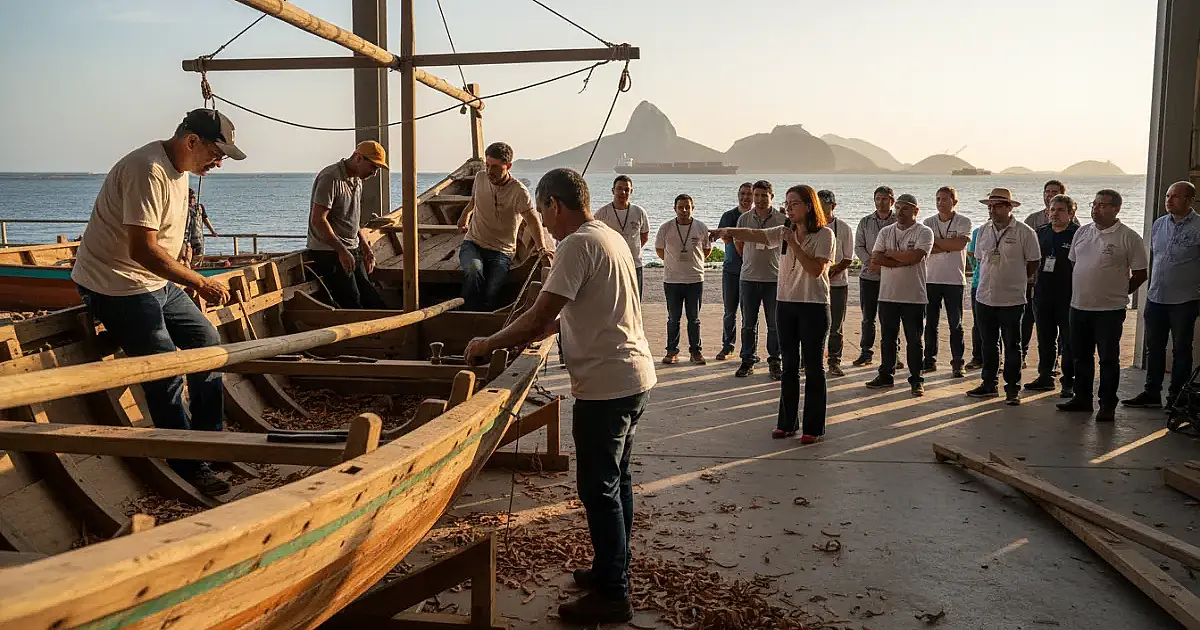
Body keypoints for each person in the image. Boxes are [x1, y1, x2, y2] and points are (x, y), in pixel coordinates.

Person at [463, 168, 655, 624]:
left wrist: (487, 344)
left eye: (544, 215)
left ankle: (613, 594)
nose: (543, 227)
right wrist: (534, 329)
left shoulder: (576, 245)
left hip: (606, 387)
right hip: (634, 377)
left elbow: (536, 318)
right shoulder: (608, 236)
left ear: (554, 205)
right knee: (618, 481)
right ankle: (613, 567)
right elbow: (568, 313)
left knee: (598, 489)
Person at [71, 108, 243, 497]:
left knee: (207, 343)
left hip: (156, 281)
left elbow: (161, 238)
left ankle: (209, 440)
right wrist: (199, 282)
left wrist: (182, 257)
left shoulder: (181, 170)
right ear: (191, 141)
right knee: (165, 368)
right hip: (115, 283)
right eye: (217, 154)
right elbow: (142, 251)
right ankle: (186, 461)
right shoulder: (147, 169)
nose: (219, 163)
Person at [712, 185, 833, 443]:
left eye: (794, 203)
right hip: (785, 303)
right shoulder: (782, 232)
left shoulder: (824, 235)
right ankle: (787, 423)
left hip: (813, 306)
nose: (788, 207)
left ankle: (813, 427)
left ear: (809, 206)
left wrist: (794, 243)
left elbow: (815, 270)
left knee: (813, 367)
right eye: (787, 203)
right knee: (789, 366)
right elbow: (754, 234)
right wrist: (727, 231)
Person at [1057, 190, 1148, 421]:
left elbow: (1140, 273)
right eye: (1094, 204)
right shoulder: (1082, 232)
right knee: (1081, 356)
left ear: (1116, 208)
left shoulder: (1128, 237)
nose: (1096, 209)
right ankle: (1082, 399)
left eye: (1102, 205)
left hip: (1109, 310)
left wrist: (1119, 291)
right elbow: (1074, 263)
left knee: (1108, 358)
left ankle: (1107, 404)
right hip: (1079, 306)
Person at [1124, 181, 1200, 410]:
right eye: (1167, 195)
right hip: (1156, 297)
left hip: (1184, 300)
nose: (1169, 200)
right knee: (1153, 347)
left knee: (1181, 349)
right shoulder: (1159, 224)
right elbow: (1155, 258)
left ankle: (1177, 397)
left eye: (1175, 196)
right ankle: (1151, 392)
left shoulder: (1198, 226)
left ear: (1190, 200)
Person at [456, 142, 551, 310]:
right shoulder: (480, 178)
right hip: (474, 243)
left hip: (502, 250)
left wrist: (542, 247)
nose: (489, 171)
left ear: (508, 166)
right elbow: (474, 201)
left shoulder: (519, 192)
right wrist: (465, 216)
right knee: (473, 270)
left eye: (495, 167)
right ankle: (468, 311)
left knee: (493, 290)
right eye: (487, 165)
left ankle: (484, 313)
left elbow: (532, 220)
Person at [968, 188, 1041, 405]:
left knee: (1012, 344)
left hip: (1012, 298)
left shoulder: (1025, 232)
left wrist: (1018, 279)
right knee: (988, 343)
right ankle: (988, 384)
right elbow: (980, 258)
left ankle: (1012, 388)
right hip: (984, 295)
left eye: (997, 206)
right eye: (990, 206)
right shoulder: (983, 231)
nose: (992, 210)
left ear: (1009, 208)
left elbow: (1034, 261)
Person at [305, 141, 389, 309]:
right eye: (373, 167)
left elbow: (352, 219)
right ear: (358, 158)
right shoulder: (330, 178)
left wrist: (365, 247)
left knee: (372, 299)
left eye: (377, 169)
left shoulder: (358, 180)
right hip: (329, 252)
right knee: (353, 302)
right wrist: (341, 250)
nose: (374, 173)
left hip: (351, 249)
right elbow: (318, 220)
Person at [866, 193, 934, 396]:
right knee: (887, 339)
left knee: (914, 341)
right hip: (887, 295)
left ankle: (916, 379)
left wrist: (891, 255)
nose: (900, 212)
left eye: (906, 208)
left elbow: (916, 256)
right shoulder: (886, 232)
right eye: (898, 208)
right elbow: (875, 259)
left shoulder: (924, 232)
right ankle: (886, 375)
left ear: (916, 211)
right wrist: (902, 260)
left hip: (913, 296)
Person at [1025, 194, 1079, 397]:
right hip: (1043, 294)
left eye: (1060, 210)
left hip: (1069, 295)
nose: (1054, 214)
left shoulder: (1078, 234)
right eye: (1052, 209)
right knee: (1045, 339)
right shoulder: (1040, 233)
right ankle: (1045, 377)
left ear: (1071, 213)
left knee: (1069, 340)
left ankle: (1069, 382)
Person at [734, 180, 786, 379]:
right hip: (748, 278)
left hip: (773, 279)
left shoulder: (782, 218)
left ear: (771, 197)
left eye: (764, 196)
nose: (759, 199)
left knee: (774, 323)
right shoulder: (744, 219)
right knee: (748, 323)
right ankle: (747, 359)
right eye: (756, 195)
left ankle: (775, 360)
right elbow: (739, 246)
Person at [922, 186, 972, 377]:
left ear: (954, 202)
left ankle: (957, 363)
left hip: (955, 280)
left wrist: (938, 243)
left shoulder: (963, 221)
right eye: (937, 199)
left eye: (944, 199)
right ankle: (929, 360)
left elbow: (960, 244)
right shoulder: (928, 222)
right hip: (931, 279)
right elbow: (926, 248)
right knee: (930, 323)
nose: (940, 202)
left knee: (955, 324)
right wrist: (947, 245)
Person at [655, 194, 711, 364]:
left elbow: (706, 250)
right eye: (680, 207)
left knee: (694, 318)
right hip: (672, 280)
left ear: (692, 208)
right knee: (673, 318)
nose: (684, 211)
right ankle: (672, 351)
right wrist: (673, 264)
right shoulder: (666, 228)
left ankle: (696, 352)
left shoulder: (700, 227)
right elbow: (659, 250)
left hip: (694, 279)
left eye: (687, 207)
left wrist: (693, 264)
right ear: (675, 209)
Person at [1020, 180, 1068, 366]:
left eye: (1054, 192)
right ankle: (1026, 359)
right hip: (1036, 284)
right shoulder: (1034, 222)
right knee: (1030, 323)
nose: (1049, 195)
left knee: (1063, 332)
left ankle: (1058, 365)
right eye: (1046, 192)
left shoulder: (1074, 228)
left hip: (1063, 289)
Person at [853, 186, 901, 369]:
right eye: (878, 199)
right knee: (868, 317)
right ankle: (866, 353)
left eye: (885, 199)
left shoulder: (899, 222)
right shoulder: (865, 222)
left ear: (892, 201)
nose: (881, 202)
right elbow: (859, 247)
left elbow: (902, 248)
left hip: (892, 277)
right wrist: (871, 263)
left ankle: (894, 355)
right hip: (869, 277)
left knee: (891, 318)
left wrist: (886, 265)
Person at [716, 183, 754, 360]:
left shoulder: (756, 218)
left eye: (749, 194)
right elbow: (725, 239)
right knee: (730, 311)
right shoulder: (728, 216)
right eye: (743, 194)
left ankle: (748, 350)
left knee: (749, 315)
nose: (746, 198)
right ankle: (727, 346)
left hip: (753, 272)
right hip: (732, 270)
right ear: (738, 195)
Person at [595, 176, 649, 296]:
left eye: (626, 189)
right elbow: (596, 239)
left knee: (635, 301)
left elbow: (644, 236)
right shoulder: (602, 213)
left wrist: (630, 250)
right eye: (619, 189)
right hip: (611, 266)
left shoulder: (639, 212)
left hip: (634, 265)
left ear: (631, 192)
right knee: (613, 302)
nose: (623, 192)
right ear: (613, 190)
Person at [820, 189, 854, 377]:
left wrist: (832, 271)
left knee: (836, 325)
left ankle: (834, 360)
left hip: (838, 283)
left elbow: (848, 257)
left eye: (826, 205)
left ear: (833, 206)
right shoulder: (810, 226)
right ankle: (807, 359)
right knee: (813, 324)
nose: (823, 209)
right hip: (815, 283)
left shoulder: (844, 228)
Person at [965, 225, 985, 370]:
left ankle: (1000, 359)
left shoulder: (1019, 231)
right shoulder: (979, 231)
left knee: (1004, 325)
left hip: (1003, 285)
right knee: (978, 322)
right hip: (979, 283)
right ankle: (977, 357)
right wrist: (978, 269)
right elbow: (971, 255)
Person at [183, 187, 218, 268]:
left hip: (198, 237)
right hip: (185, 237)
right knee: (186, 257)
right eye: (189, 197)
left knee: (198, 257)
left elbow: (205, 219)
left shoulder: (199, 207)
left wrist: (212, 231)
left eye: (192, 197)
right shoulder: (182, 208)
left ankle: (195, 271)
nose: (191, 199)